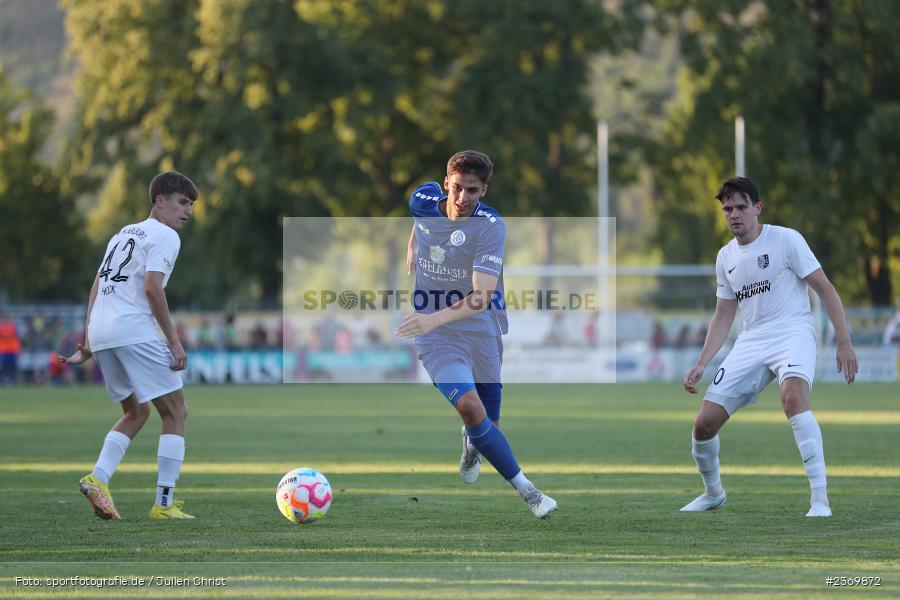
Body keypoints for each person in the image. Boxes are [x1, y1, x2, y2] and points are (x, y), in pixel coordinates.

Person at [682, 176, 858, 518]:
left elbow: (825, 288)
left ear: (757, 208)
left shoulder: (786, 239)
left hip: (793, 331)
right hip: (752, 339)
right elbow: (723, 315)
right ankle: (713, 494)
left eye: (741, 207)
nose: (734, 214)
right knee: (703, 425)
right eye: (727, 209)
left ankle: (819, 500)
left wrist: (844, 341)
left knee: (792, 398)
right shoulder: (725, 257)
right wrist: (703, 362)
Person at [395, 150, 557, 518]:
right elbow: (418, 218)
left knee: (488, 425)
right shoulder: (422, 199)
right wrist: (413, 244)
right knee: (470, 406)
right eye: (456, 188)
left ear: (484, 191)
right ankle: (531, 493)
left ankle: (472, 443)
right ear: (446, 183)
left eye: (472, 190)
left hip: (480, 327)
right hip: (438, 338)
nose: (462, 198)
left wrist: (429, 320)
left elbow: (480, 297)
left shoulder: (490, 227)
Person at [61, 171, 198, 521]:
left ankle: (98, 478)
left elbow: (97, 285)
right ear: (160, 201)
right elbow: (153, 289)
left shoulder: (122, 234)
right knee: (176, 413)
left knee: (136, 412)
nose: (188, 211)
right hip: (133, 329)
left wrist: (90, 338)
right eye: (183, 202)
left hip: (105, 331)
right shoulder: (165, 235)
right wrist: (175, 343)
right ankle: (164, 506)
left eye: (192, 205)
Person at [0, 313, 21, 386]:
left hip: (12, 350)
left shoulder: (13, 327)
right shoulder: (1, 327)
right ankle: (2, 379)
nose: (6, 320)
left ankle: (10, 380)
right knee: (2, 366)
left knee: (12, 366)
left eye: (8, 318)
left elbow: (17, 339)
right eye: (5, 318)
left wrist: (18, 349)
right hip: (3, 350)